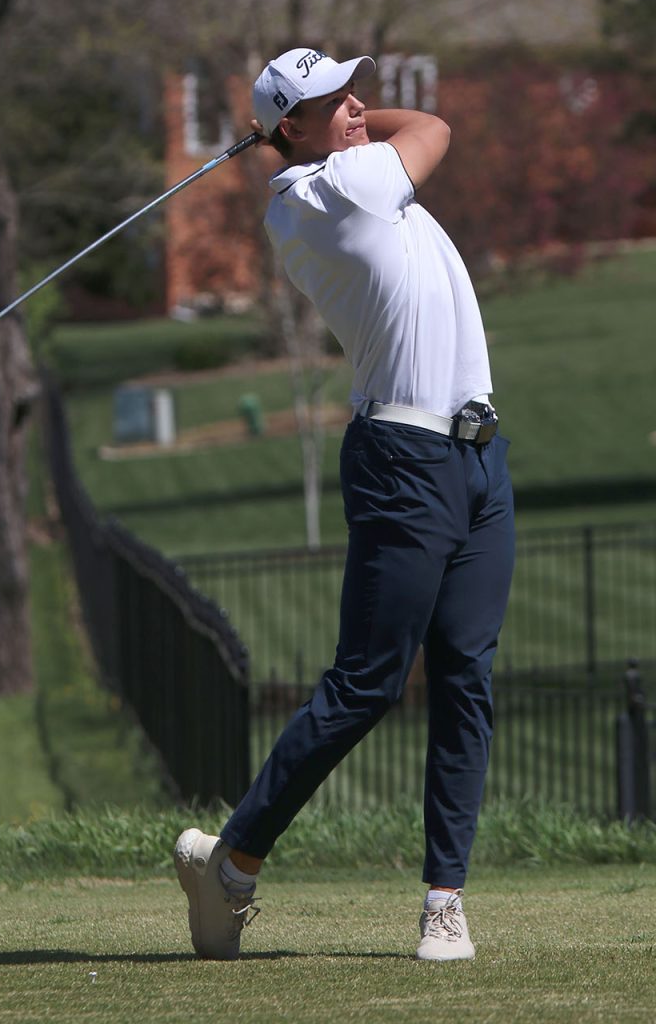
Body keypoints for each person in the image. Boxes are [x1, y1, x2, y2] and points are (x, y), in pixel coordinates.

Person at [174, 47, 515, 962]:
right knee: (366, 682)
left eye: (355, 91)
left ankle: (445, 897)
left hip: (481, 458)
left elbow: (401, 132)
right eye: (334, 101)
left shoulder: (355, 179)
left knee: (466, 680)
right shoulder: (316, 196)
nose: (361, 108)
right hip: (404, 457)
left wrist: (319, 124)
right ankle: (234, 863)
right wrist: (315, 141)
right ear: (290, 128)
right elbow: (434, 126)